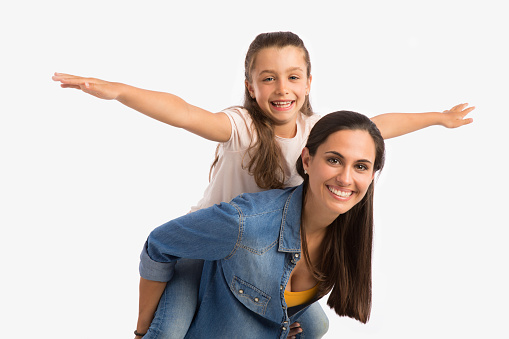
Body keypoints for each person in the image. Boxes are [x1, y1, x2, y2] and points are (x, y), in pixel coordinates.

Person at [52, 32, 474, 338]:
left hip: (264, 251)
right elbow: (182, 112)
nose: (281, 88)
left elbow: (378, 126)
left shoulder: (315, 132)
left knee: (317, 324)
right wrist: (119, 92)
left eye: (293, 77)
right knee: (169, 330)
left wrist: (438, 118)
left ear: (309, 83)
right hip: (208, 243)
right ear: (251, 88)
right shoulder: (242, 128)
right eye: (267, 78)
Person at [139, 110, 384, 338]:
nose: (345, 178)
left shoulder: (351, 234)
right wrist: (142, 330)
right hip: (206, 286)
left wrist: (279, 326)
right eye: (334, 160)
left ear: (372, 176)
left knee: (317, 326)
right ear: (307, 160)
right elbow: (159, 243)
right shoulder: (245, 223)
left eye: (361, 166)